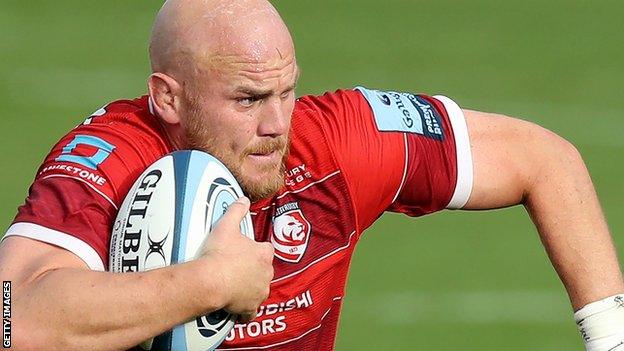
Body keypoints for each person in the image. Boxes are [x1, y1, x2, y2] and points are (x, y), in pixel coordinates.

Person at [0, 0, 622, 350]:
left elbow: (546, 160)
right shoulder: (108, 158)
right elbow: (14, 320)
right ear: (169, 99)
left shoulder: (335, 142)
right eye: (247, 99)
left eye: (286, 91)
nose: (278, 124)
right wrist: (210, 284)